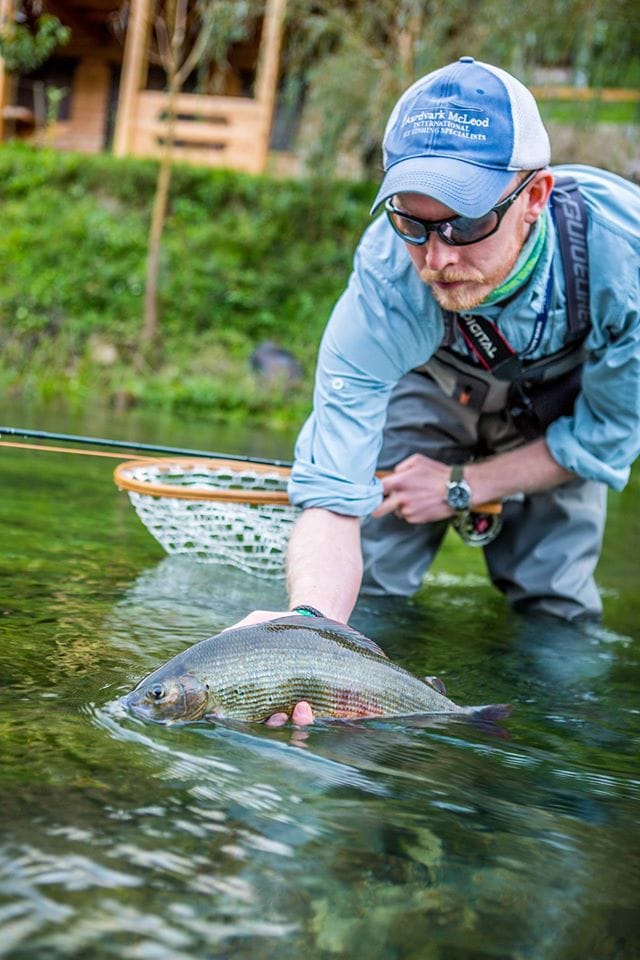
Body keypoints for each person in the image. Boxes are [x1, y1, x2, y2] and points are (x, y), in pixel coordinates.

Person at [236, 56, 640, 724]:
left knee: (558, 621)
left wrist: (460, 485)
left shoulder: (625, 260)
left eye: (467, 223)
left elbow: (601, 441)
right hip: (437, 382)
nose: (437, 258)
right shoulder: (388, 280)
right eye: (412, 222)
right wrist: (306, 633)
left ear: (534, 197)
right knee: (372, 590)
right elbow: (336, 494)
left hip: (564, 413)